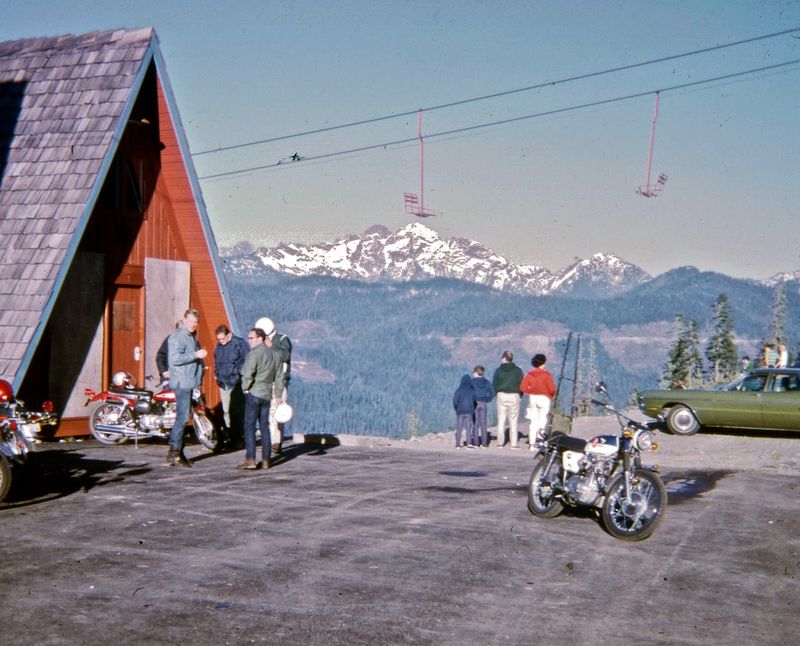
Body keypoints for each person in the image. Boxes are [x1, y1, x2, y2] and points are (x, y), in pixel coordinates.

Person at [166, 308, 207, 467]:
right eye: (190, 321)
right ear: (184, 320)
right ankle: (175, 452)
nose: (193, 325)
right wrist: (195, 355)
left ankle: (175, 453)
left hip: (188, 382)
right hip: (182, 383)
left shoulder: (190, 337)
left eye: (196, 322)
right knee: (182, 418)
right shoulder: (178, 337)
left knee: (183, 418)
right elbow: (175, 359)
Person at [238, 327, 280, 470]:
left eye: (251, 338)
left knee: (249, 427)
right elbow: (279, 376)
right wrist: (279, 394)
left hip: (254, 393)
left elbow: (247, 373)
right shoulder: (274, 355)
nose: (249, 341)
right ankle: (267, 460)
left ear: (260, 338)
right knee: (265, 427)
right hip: (267, 395)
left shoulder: (254, 353)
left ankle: (250, 460)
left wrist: (245, 388)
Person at [255, 316, 291, 455]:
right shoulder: (262, 342)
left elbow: (285, 356)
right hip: (266, 381)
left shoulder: (282, 340)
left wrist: (271, 347)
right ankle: (273, 442)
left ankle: (276, 442)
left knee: (276, 412)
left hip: (279, 381)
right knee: (269, 413)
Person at [213, 324, 249, 448]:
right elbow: (216, 362)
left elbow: (247, 360)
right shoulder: (218, 347)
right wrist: (216, 374)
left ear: (228, 335)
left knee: (236, 411)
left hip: (236, 382)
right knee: (226, 411)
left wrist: (238, 374)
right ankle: (231, 436)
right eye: (219, 339)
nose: (221, 341)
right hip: (223, 383)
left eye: (222, 338)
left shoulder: (240, 343)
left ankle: (238, 438)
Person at [519, 354, 557, 451]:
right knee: (542, 420)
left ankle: (531, 444)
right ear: (543, 363)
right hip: (544, 398)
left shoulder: (529, 374)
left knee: (533, 421)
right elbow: (552, 389)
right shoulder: (546, 375)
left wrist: (530, 391)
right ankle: (540, 441)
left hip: (533, 398)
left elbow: (522, 387)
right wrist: (551, 395)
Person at [491, 351, 524, 448]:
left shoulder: (498, 370)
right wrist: (520, 395)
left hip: (502, 395)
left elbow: (494, 384)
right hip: (514, 395)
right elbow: (521, 384)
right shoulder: (518, 371)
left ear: (504, 358)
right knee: (513, 420)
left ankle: (500, 443)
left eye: (502, 357)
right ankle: (513, 443)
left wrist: (497, 393)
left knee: (501, 419)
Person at [471, 366, 495, 448]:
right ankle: (484, 444)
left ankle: (476, 443)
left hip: (475, 403)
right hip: (483, 403)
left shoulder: (472, 382)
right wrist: (487, 399)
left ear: (475, 373)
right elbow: (492, 393)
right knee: (483, 424)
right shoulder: (487, 382)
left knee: (476, 423)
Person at [453, 374, 476, 449]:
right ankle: (469, 443)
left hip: (460, 412)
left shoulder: (458, 391)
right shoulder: (472, 391)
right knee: (469, 428)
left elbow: (455, 402)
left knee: (459, 428)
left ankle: (457, 444)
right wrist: (473, 408)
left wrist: (457, 409)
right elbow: (474, 401)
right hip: (469, 412)